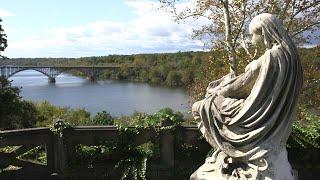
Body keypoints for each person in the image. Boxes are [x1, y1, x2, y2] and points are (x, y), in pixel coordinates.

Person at [191, 13, 303, 180]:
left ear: (264, 33)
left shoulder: (270, 57)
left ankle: (232, 151)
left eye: (252, 35)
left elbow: (239, 86)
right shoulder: (292, 57)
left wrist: (216, 91)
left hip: (252, 116)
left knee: (201, 107)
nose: (251, 40)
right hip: (274, 122)